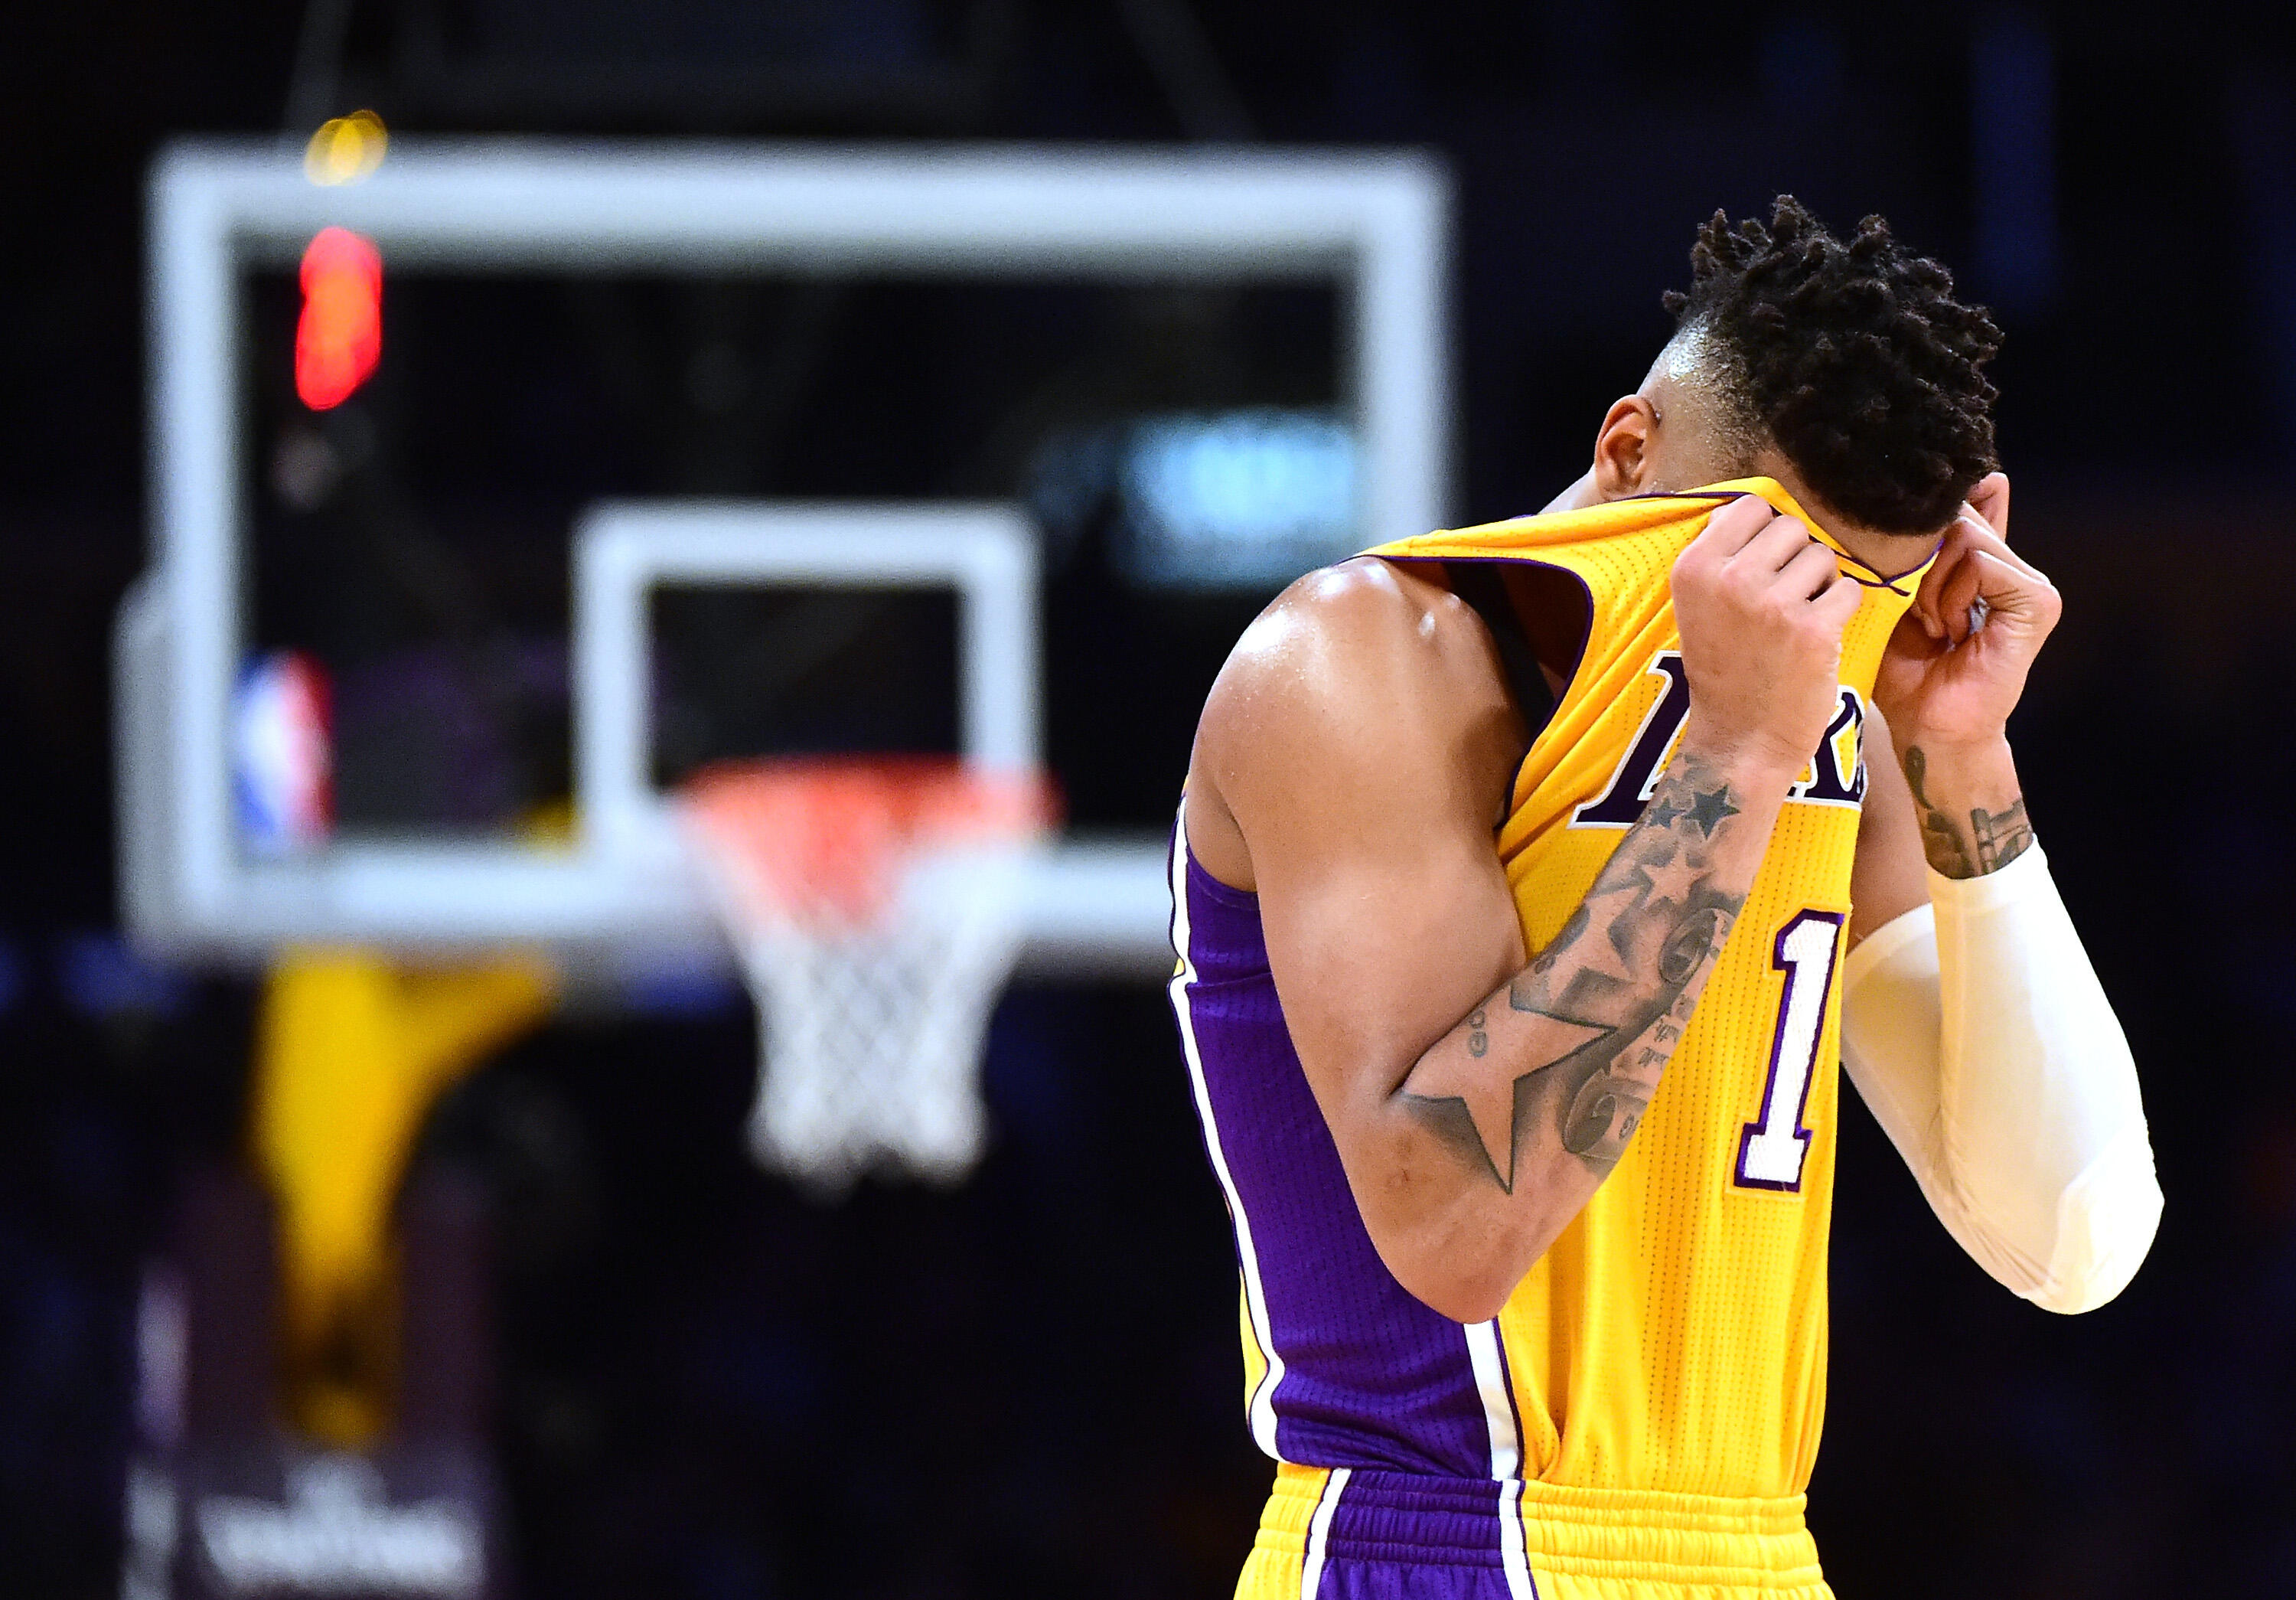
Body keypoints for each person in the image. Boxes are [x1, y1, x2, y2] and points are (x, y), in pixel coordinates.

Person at [1167, 197, 2161, 1600]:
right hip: (1445, 1535)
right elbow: (1453, 1232)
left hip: (1760, 1550)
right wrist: (1741, 756)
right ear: (1630, 450)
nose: (1804, 627)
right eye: (1767, 563)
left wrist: (1961, 756)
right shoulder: (1359, 660)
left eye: (1845, 596)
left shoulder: (1835, 729)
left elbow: (2077, 1236)